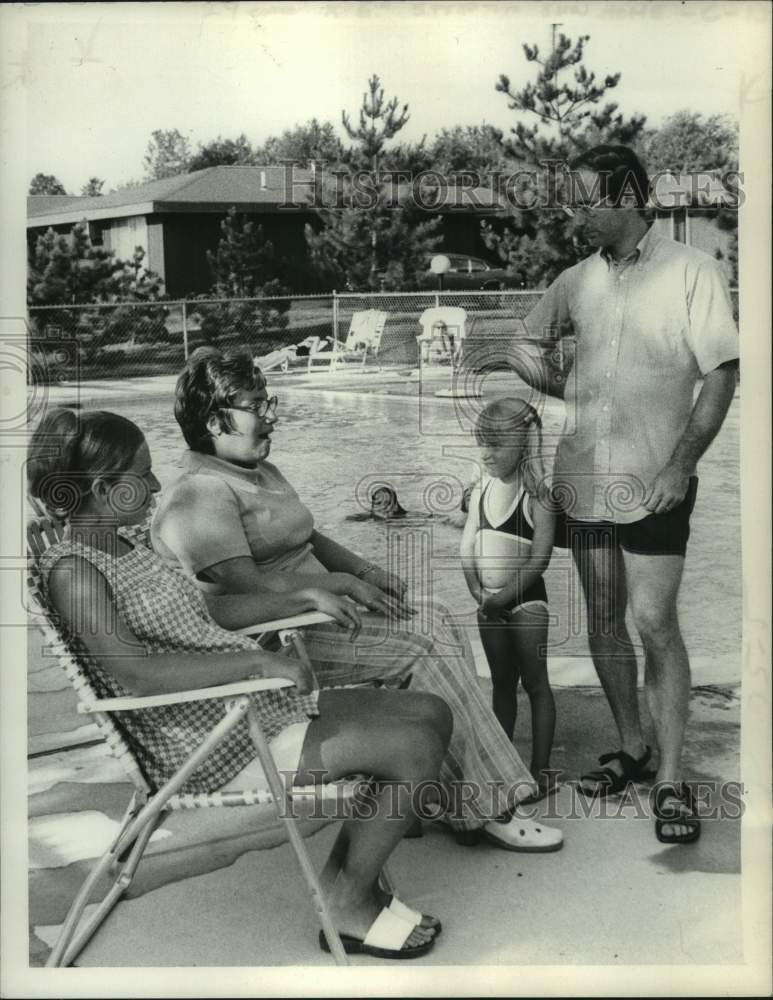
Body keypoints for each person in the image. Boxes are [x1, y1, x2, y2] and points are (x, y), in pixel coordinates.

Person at [28, 407, 453, 960]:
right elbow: (134, 675)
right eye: (143, 474)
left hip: (242, 711)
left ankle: (353, 882)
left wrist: (300, 595)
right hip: (206, 741)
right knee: (413, 745)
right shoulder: (75, 572)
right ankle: (347, 903)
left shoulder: (128, 544)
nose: (158, 485)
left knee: (430, 711)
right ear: (106, 489)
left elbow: (202, 618)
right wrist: (261, 666)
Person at [151, 347, 565, 852]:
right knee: (423, 641)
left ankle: (447, 794)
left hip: (312, 618)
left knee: (430, 615)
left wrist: (364, 571)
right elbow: (244, 588)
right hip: (278, 642)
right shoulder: (199, 494)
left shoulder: (257, 472)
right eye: (258, 407)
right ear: (217, 421)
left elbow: (308, 538)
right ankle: (489, 804)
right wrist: (341, 586)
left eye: (268, 402)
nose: (271, 418)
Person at [512, 144, 739, 843]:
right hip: (583, 482)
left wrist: (681, 463)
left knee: (653, 624)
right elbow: (523, 344)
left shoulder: (692, 272)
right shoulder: (573, 281)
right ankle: (632, 748)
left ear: (630, 196)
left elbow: (721, 375)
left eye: (587, 199)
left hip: (655, 483)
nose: (576, 213)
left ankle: (670, 779)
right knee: (605, 623)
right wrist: (563, 386)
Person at [461, 398, 558, 802]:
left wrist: (503, 597)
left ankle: (541, 770)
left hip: (525, 602)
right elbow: (467, 546)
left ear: (524, 444)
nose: (487, 453)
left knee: (535, 684)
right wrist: (479, 592)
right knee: (501, 685)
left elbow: (539, 561)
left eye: (497, 444)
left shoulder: (539, 496)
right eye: (482, 443)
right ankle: (503, 766)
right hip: (489, 603)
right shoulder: (481, 489)